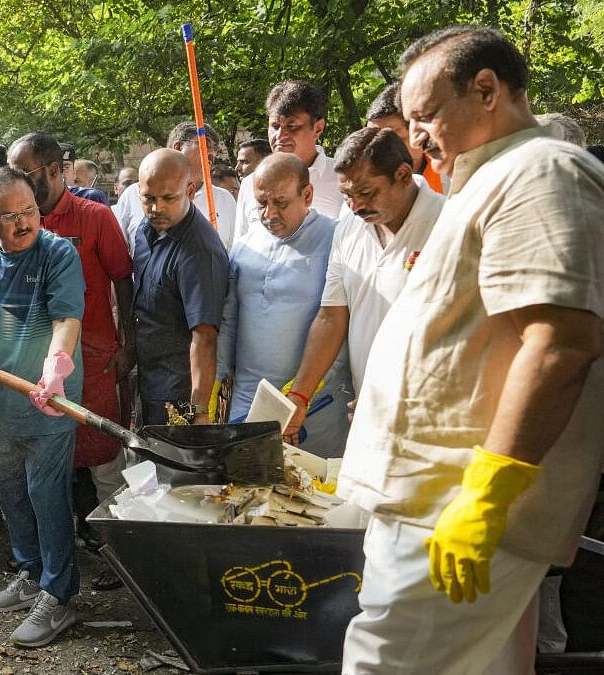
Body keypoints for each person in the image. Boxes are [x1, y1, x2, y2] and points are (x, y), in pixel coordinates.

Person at [338, 26, 604, 673]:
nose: (416, 137)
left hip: (450, 508)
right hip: (433, 502)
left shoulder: (542, 171)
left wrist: (485, 496)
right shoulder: (490, 178)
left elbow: (561, 341)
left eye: (426, 116)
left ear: (486, 89)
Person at [0, 166, 85, 647]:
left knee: (47, 497)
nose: (25, 222)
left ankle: (58, 595)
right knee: (9, 492)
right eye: (11, 216)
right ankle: (29, 572)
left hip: (49, 402)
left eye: (30, 211)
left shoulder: (57, 253)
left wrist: (56, 364)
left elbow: (67, 317)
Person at [8, 132, 131, 573]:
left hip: (94, 357)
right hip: (37, 365)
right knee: (50, 462)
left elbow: (122, 280)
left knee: (104, 459)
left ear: (56, 170)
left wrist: (127, 345)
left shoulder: (96, 217)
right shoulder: (16, 224)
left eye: (25, 173)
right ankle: (64, 555)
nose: (16, 182)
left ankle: (122, 558)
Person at [282, 128, 444, 445]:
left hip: (432, 418)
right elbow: (331, 316)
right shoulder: (349, 227)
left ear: (403, 174)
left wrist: (400, 402)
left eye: (367, 193)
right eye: (347, 196)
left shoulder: (447, 223)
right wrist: (301, 395)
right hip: (366, 408)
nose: (355, 206)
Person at [217, 153, 351, 457]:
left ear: (307, 195)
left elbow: (337, 322)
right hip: (248, 401)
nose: (269, 214)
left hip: (317, 404)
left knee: (314, 497)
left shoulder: (336, 239)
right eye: (261, 203)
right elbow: (229, 320)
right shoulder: (245, 244)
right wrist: (218, 383)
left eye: (281, 203)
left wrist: (300, 396)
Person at [131, 149, 228, 426]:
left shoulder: (199, 252)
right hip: (147, 377)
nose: (156, 208)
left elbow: (205, 337)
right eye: (148, 198)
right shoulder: (146, 228)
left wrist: (198, 411)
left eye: (168, 198)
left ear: (190, 190)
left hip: (180, 393)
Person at [233, 81, 345, 242]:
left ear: (318, 128)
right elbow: (241, 245)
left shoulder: (343, 180)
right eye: (275, 126)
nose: (280, 136)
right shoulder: (250, 183)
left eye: (292, 126)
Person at [114, 122, 238, 250]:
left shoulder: (225, 199)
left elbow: (234, 252)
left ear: (190, 193)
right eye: (204, 145)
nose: (211, 154)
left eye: (215, 148)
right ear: (178, 147)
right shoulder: (132, 195)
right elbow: (117, 252)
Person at [366, 82, 445, 193]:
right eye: (371, 140)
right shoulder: (361, 186)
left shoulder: (454, 174)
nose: (379, 150)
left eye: (391, 140)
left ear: (419, 132)